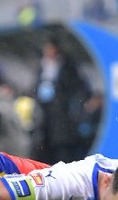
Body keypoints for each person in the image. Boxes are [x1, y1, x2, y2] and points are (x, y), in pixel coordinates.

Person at [33, 37, 91, 165]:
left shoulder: (68, 67)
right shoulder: (41, 66)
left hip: (62, 115)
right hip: (46, 115)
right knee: (45, 147)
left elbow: (77, 87)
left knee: (62, 149)